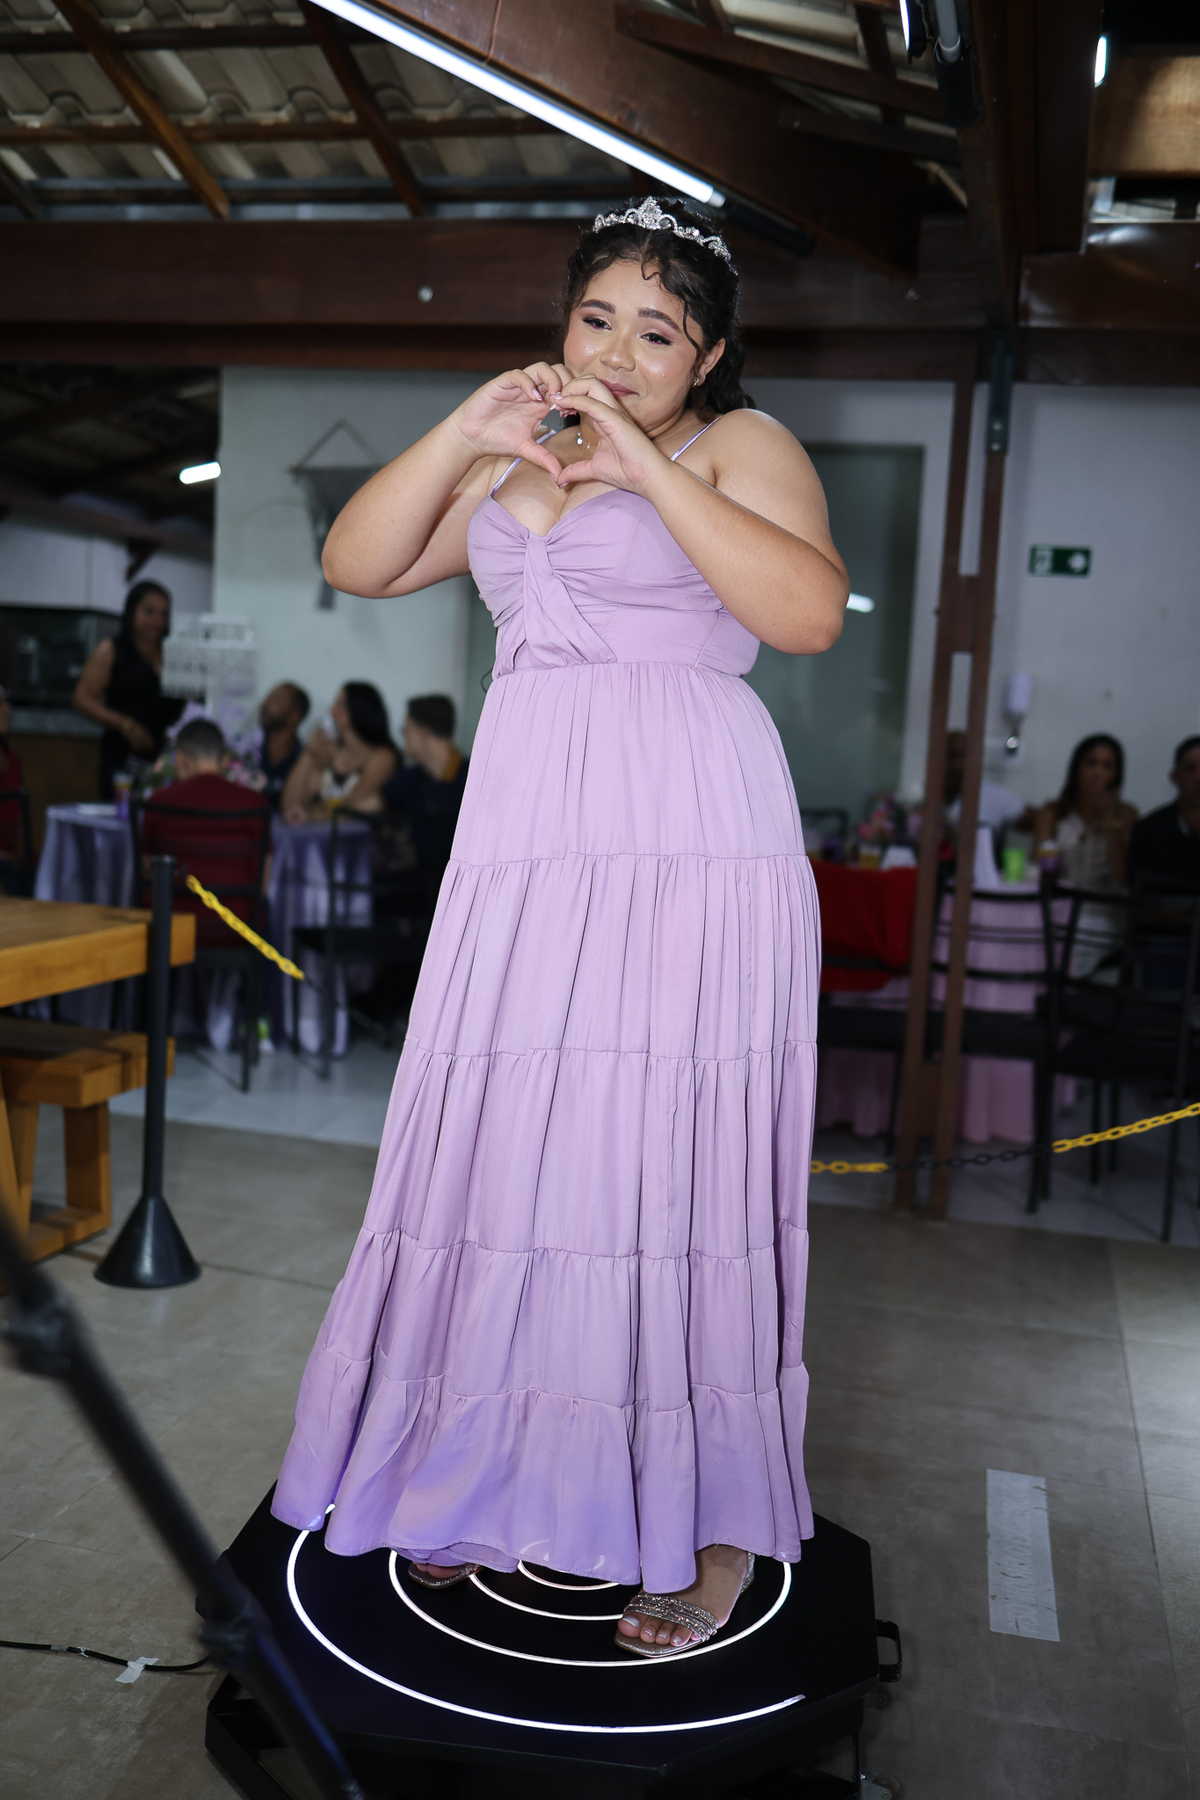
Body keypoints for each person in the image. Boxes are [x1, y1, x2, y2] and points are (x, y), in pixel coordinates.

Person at [271, 196, 848, 1658]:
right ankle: (494, 1470)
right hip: (531, 849)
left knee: (669, 1165)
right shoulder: (524, 449)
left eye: (658, 333)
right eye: (598, 319)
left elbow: (807, 615)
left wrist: (645, 464)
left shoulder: (741, 445)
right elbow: (357, 561)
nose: (619, 351)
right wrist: (470, 430)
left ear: (706, 357)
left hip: (684, 846)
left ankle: (713, 1526)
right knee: (515, 1157)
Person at [141, 717, 270, 923]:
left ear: (180, 759)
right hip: (237, 927)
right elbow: (262, 886)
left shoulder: (159, 802)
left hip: (170, 928)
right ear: (225, 760)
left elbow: (148, 873)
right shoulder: (255, 804)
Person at [73, 581, 184, 798]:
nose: (157, 620)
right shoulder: (112, 650)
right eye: (149, 611)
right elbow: (82, 698)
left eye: (163, 614)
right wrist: (125, 725)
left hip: (167, 762)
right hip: (122, 759)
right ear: (132, 610)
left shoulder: (173, 654)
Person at [1030, 733, 1137, 889]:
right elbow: (1036, 868)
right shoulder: (1052, 812)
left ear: (1116, 775)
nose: (1097, 774)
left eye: (1107, 766)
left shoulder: (1126, 815)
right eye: (1091, 763)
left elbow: (1124, 877)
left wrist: (1109, 818)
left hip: (1107, 902)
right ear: (1077, 769)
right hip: (1061, 900)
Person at [380, 693, 469, 882]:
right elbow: (366, 806)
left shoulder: (474, 777)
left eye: (406, 729)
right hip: (418, 887)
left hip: (460, 884)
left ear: (424, 732)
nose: (403, 735)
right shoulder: (410, 778)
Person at [280, 682, 399, 823]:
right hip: (322, 832)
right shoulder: (327, 753)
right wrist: (309, 752)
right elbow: (290, 804)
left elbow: (354, 807)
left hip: (360, 835)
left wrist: (311, 814)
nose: (332, 710)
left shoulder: (383, 756)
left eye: (340, 704)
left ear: (360, 709)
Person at [1127, 735, 1200, 890]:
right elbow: (1139, 896)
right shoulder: (1148, 832)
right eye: (1190, 769)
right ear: (1175, 776)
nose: (1198, 778)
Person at [942, 730, 1025, 834]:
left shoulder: (993, 796)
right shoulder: (927, 797)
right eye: (951, 755)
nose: (957, 764)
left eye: (965, 756)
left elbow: (1040, 817)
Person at [257, 681, 310, 808]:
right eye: (268, 698)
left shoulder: (303, 761)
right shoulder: (243, 750)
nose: (265, 705)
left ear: (294, 716)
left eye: (276, 700)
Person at [0, 683, 28, 893]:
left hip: (12, 862)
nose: (7, 710)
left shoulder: (12, 758)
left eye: (6, 704)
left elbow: (18, 820)